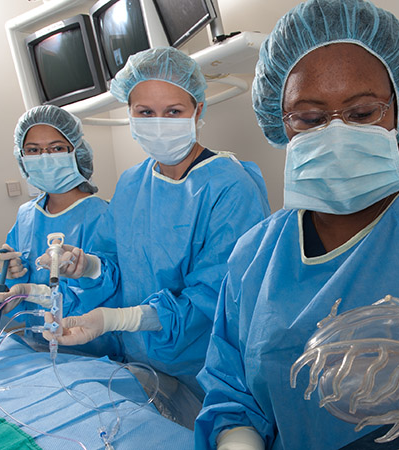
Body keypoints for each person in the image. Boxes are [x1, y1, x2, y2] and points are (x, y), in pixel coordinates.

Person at [193, 1, 399, 449]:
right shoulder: (253, 260)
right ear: (281, 126)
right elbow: (233, 394)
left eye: (362, 113)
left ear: (396, 114)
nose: (336, 134)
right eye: (310, 119)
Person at [41, 47, 270, 397]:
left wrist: (118, 319)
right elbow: (119, 265)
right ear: (130, 114)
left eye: (173, 111)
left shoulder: (231, 186)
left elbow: (216, 297)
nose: (159, 122)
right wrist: (87, 267)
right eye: (145, 112)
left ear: (198, 111)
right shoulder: (132, 182)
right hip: (141, 362)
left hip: (209, 370)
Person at [0, 105, 118, 355]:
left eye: (56, 148)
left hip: (94, 353)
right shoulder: (26, 216)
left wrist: (32, 291)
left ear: (77, 152)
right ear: (21, 157)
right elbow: (3, 271)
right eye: (33, 150)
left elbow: (110, 291)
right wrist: (5, 286)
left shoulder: (103, 215)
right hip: (40, 348)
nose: (45, 157)